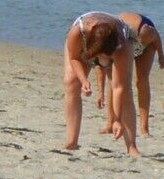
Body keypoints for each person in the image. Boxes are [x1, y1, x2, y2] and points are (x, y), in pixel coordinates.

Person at [60, 11, 144, 154]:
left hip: (120, 39)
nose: (103, 60)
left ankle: (132, 147)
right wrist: (83, 80)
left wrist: (116, 119)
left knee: (126, 93)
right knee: (71, 83)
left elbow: (119, 87)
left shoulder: (121, 44)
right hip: (87, 42)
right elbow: (74, 58)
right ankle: (72, 141)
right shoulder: (78, 32)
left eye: (107, 56)